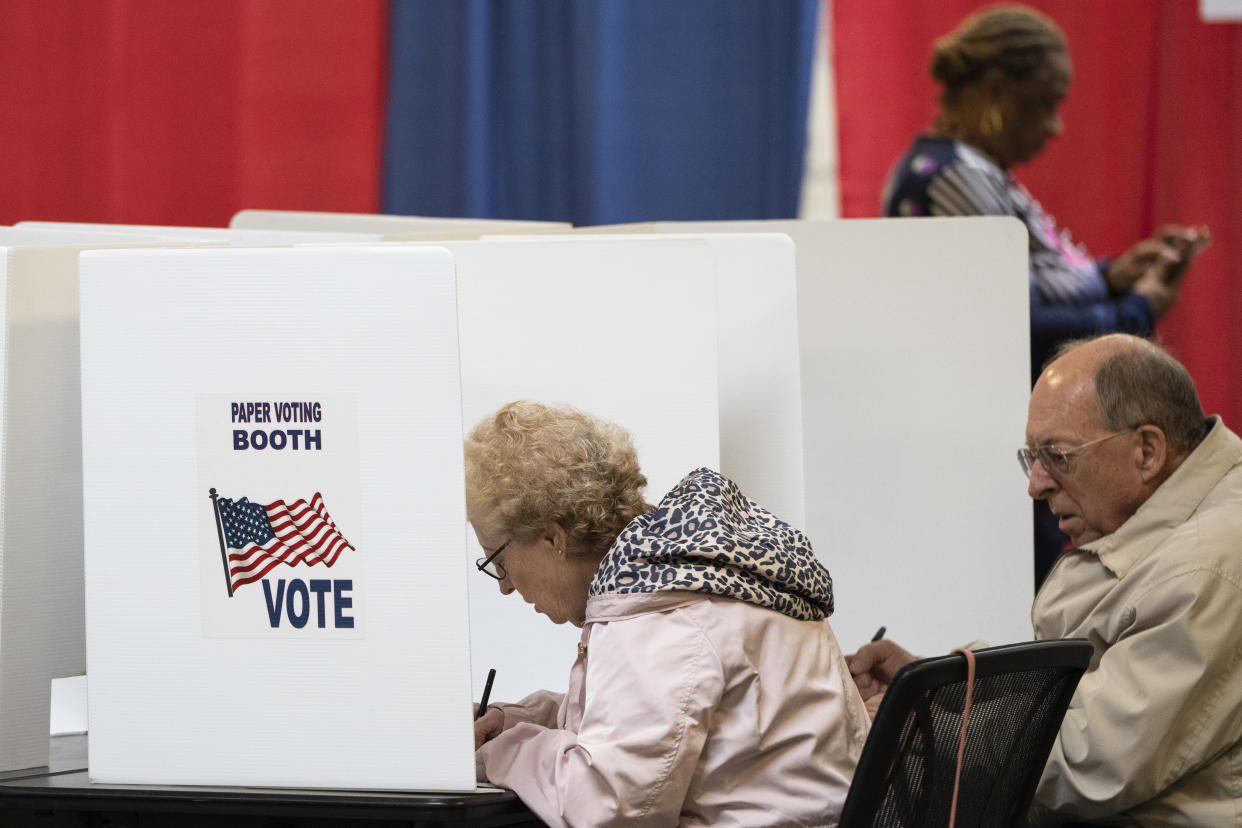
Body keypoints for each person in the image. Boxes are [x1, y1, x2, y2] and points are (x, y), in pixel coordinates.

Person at [848, 333, 1242, 825]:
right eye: (1030, 457)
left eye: (1058, 456)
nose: (1036, 484)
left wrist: (924, 721)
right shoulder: (1161, 521)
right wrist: (933, 685)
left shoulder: (1210, 565)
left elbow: (1092, 761)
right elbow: (1075, 691)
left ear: (1147, 451)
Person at [879, 3, 1211, 586]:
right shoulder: (951, 177)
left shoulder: (976, 171)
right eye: (1047, 102)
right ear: (996, 88)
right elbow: (1002, 317)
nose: (1056, 126)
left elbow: (1026, 284)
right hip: (991, 448)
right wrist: (1136, 311)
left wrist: (1113, 275)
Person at [466, 401, 868, 827]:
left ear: (551, 537)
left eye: (499, 560)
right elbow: (664, 716)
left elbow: (612, 812)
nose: (505, 585)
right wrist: (523, 719)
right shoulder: (699, 576)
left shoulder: (662, 620)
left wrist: (505, 749)